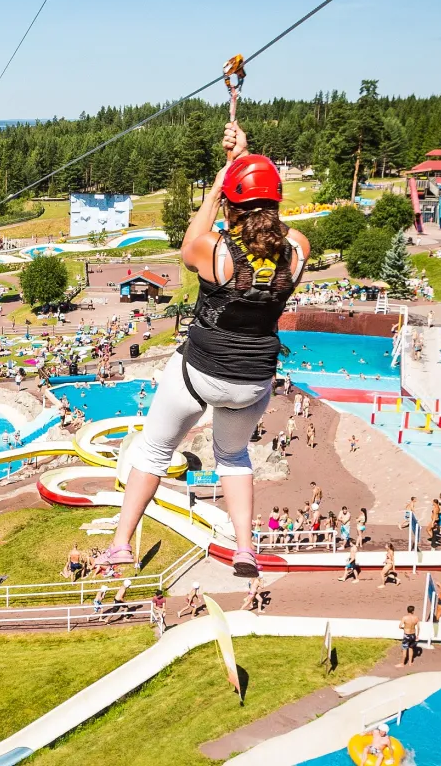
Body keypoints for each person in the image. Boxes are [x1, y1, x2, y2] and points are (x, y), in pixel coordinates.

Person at [92, 127, 308, 578]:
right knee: (233, 457)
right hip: (254, 381)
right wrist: (244, 167)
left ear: (232, 204)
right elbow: (276, 232)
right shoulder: (298, 250)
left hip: (201, 370)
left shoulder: (214, 251)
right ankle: (245, 548)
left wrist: (221, 180)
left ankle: (119, 545)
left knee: (152, 451)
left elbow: (192, 238)